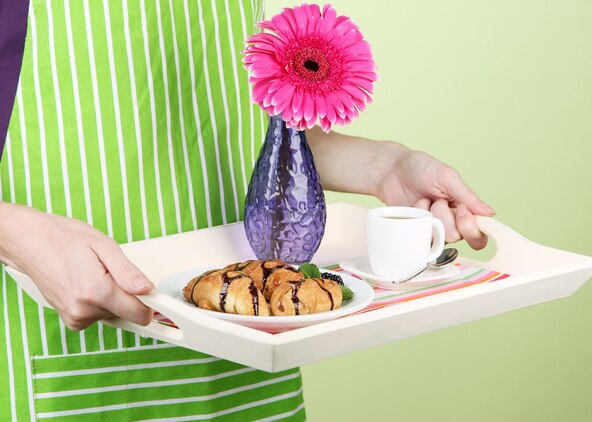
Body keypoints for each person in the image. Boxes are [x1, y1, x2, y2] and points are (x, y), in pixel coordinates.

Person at [0, 1, 493, 420]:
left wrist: (383, 167)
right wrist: (18, 235)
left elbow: (238, 131)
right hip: (67, 352)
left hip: (248, 354)